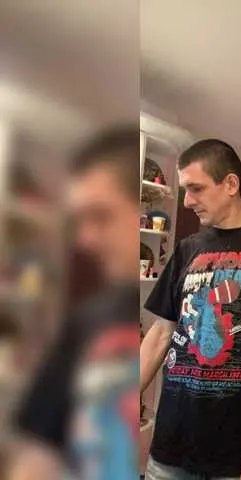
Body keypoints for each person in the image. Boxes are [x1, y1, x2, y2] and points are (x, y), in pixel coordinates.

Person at [140, 139, 241, 480]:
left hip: (237, 452)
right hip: (171, 444)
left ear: (230, 184)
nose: (187, 201)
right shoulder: (186, 249)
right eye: (185, 190)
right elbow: (160, 334)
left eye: (196, 188)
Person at [9, 126, 140, 479]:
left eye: (100, 216)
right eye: (80, 220)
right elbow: (38, 452)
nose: (84, 239)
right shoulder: (87, 320)